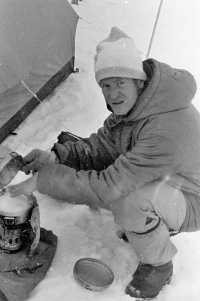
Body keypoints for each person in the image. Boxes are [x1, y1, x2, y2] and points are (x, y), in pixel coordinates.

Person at [8, 27, 200, 299]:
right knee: (122, 187)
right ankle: (149, 222)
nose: (112, 93)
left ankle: (159, 264)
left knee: (127, 200)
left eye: (120, 82)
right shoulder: (136, 107)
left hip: (193, 197)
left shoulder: (165, 126)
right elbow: (101, 148)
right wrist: (55, 158)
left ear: (139, 81)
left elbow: (108, 187)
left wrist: (45, 180)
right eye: (106, 85)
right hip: (166, 179)